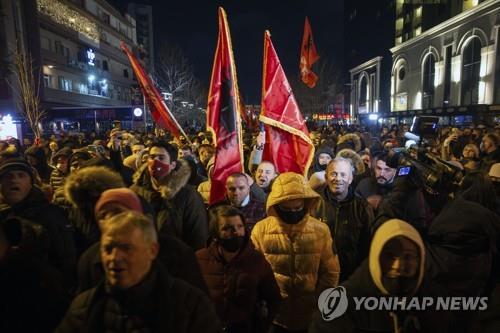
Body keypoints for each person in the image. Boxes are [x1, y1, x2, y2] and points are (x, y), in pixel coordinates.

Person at [56, 211, 222, 333]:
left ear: (152, 250)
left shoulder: (190, 305)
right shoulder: (85, 306)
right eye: (108, 249)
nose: (114, 257)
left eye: (126, 248)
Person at [251, 172, 340, 332]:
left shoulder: (320, 231)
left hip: (310, 313)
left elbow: (330, 271)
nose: (293, 213)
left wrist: (321, 303)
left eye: (297, 208)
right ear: (276, 206)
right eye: (286, 209)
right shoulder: (261, 230)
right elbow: (254, 272)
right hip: (275, 315)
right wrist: (262, 302)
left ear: (306, 204)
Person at [309, 219, 434, 333]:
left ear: (420, 259)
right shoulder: (342, 304)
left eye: (408, 256)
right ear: (376, 257)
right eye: (389, 256)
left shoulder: (435, 301)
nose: (398, 265)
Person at [77, 188, 208, 294]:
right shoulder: (91, 259)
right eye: (103, 215)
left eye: (118, 212)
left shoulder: (176, 253)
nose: (111, 220)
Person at [196, 205, 281, 332]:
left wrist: (263, 326)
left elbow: (273, 298)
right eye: (227, 228)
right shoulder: (200, 259)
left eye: (239, 227)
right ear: (215, 234)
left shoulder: (256, 260)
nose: (235, 232)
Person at [0, 157, 76, 283]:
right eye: (8, 176)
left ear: (31, 183)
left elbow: (66, 261)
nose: (14, 180)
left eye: (21, 175)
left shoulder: (51, 215)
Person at [131, 141, 208, 250]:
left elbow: (198, 237)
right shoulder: (134, 192)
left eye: (161, 158)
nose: (155, 161)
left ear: (173, 165)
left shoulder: (188, 195)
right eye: (152, 157)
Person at [312, 158, 374, 282]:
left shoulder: (362, 208)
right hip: (319, 275)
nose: (338, 179)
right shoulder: (314, 203)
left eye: (343, 174)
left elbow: (368, 245)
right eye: (333, 174)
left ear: (350, 179)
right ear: (326, 176)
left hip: (350, 277)